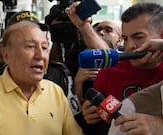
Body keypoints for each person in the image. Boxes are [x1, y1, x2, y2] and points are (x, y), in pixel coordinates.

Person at [0, 21, 84, 135]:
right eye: (30, 46)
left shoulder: (56, 92)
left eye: (45, 47)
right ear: (6, 55)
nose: (40, 55)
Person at [66, 1, 163, 135]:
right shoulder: (110, 72)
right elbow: (95, 115)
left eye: (138, 37)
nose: (130, 46)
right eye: (125, 38)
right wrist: (89, 115)